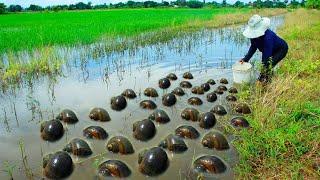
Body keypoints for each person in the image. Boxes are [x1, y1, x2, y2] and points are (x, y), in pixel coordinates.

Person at [239, 14, 288, 82]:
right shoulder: (253, 36)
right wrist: (245, 59)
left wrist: (260, 77)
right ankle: (268, 78)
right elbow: (253, 47)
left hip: (281, 49)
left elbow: (266, 56)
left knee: (268, 65)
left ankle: (266, 83)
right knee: (267, 66)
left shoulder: (268, 37)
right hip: (271, 49)